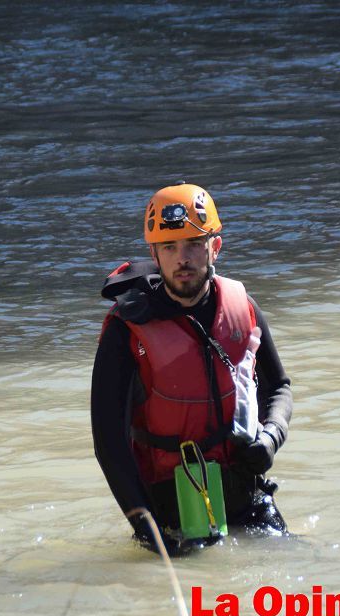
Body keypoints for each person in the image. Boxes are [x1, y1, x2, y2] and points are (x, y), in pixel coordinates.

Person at [91, 182, 293, 554]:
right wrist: (147, 529)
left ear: (214, 247)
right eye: (169, 247)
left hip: (244, 489)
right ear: (154, 252)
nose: (181, 258)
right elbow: (109, 444)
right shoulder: (126, 329)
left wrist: (270, 438)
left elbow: (278, 388)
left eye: (193, 245)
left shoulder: (243, 307)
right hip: (170, 505)